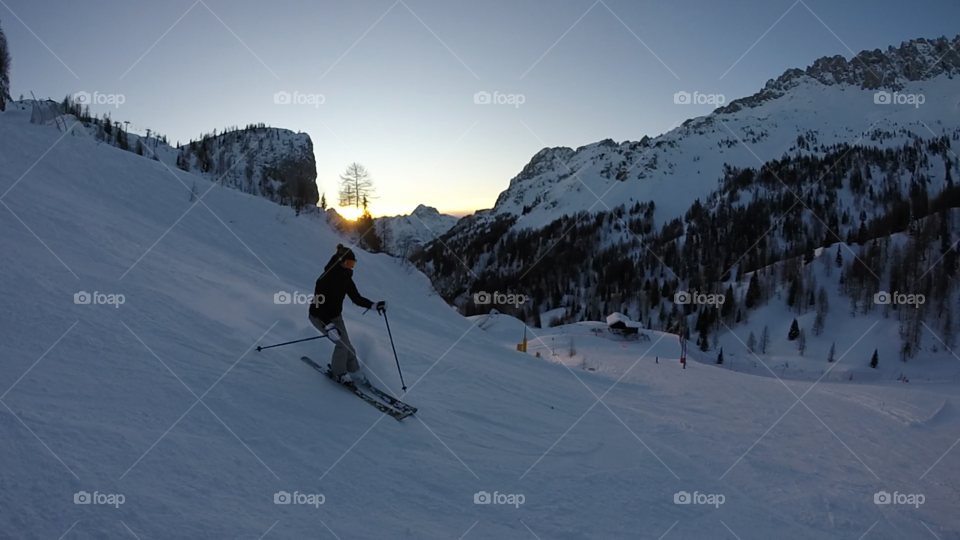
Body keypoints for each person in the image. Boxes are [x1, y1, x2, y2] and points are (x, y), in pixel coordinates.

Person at [308, 244, 386, 385]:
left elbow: (356, 298)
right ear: (340, 262)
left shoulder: (346, 278)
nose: (351, 267)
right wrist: (329, 326)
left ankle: (354, 372)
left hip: (335, 317)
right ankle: (339, 373)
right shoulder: (324, 279)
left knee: (348, 347)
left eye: (353, 264)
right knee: (341, 345)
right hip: (319, 316)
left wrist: (373, 305)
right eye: (349, 263)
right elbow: (318, 305)